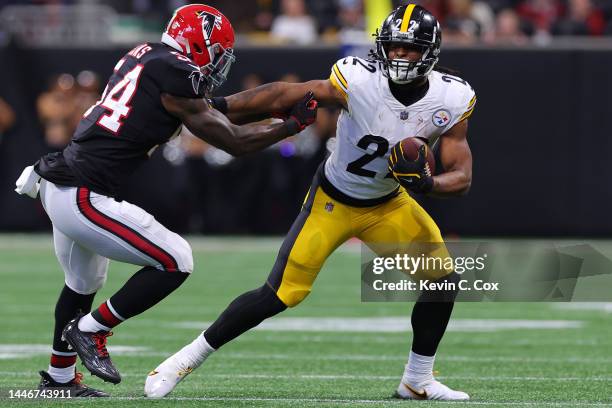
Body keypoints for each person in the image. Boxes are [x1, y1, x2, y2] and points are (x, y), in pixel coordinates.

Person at [146, 3, 474, 401]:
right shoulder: (359, 79)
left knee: (442, 281)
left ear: (431, 52)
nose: (399, 56)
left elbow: (462, 177)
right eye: (394, 47)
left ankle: (417, 379)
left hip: (389, 203)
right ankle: (180, 362)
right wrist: (215, 108)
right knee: (280, 294)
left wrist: (427, 183)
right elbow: (285, 94)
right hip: (333, 200)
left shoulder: (451, 98)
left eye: (410, 49)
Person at [14, 4, 317, 397]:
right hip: (83, 193)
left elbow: (213, 111)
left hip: (63, 183)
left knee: (82, 281)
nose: (220, 63)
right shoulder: (177, 71)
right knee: (176, 260)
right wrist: (292, 126)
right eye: (219, 52)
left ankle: (58, 378)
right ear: (200, 44)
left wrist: (269, 106)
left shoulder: (148, 56)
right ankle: (92, 329)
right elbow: (233, 141)